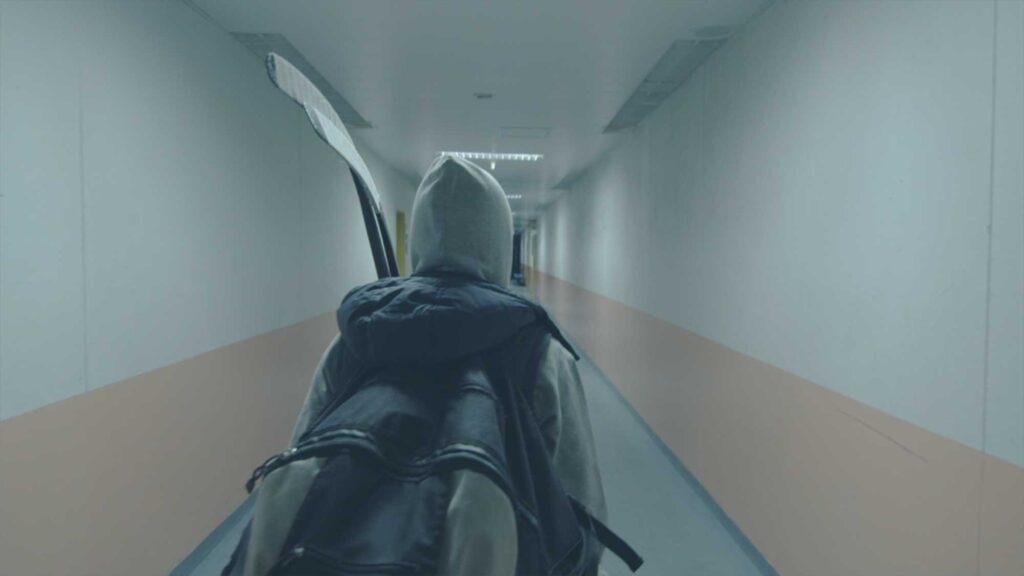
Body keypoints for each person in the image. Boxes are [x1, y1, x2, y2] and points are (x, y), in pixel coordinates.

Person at [228, 154, 609, 576]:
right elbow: (581, 504)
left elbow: (306, 449)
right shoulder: (538, 353)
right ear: (499, 243)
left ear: (418, 241)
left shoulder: (355, 341)